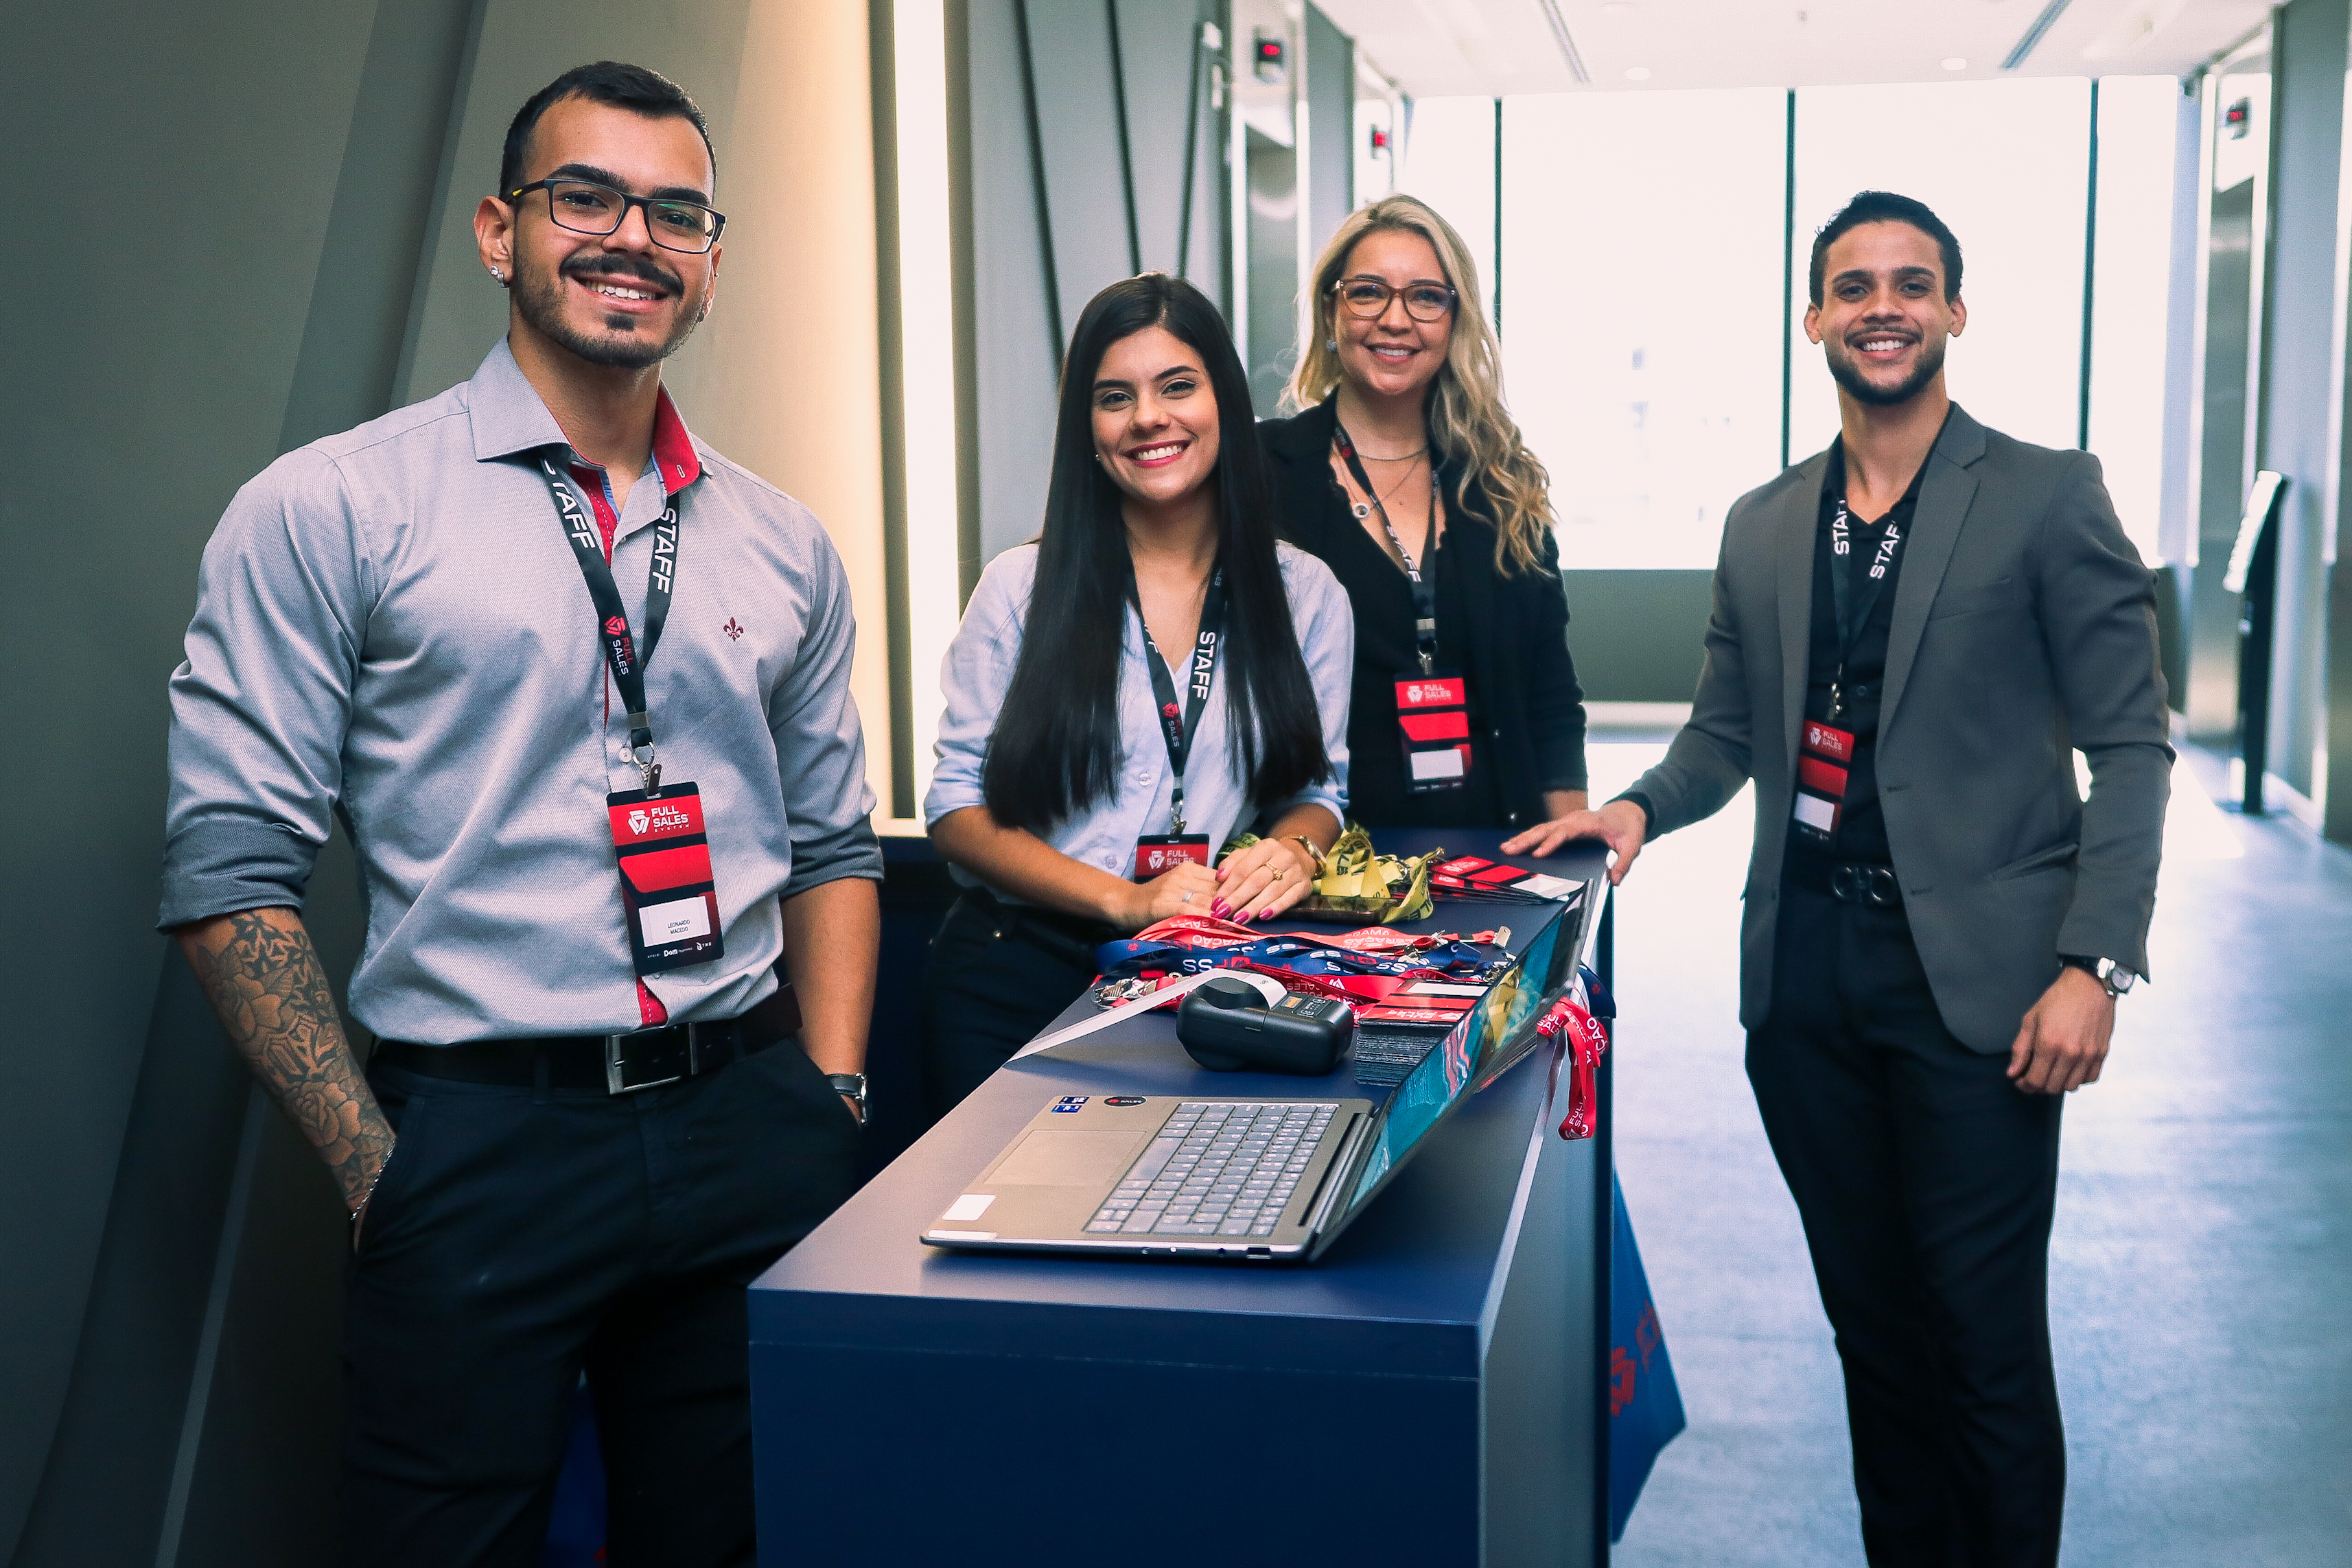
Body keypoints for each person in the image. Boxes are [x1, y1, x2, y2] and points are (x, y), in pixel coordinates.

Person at [161, 62, 880, 1567]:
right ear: (500, 231)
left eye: (674, 210)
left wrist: (828, 1096)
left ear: (710, 260)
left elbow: (829, 843)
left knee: (749, 1536)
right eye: (586, 198)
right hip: (483, 1134)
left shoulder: (783, 539)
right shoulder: (334, 508)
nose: (632, 236)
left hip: (747, 1115)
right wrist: (376, 1164)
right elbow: (230, 869)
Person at [1545, 191, 2170, 1567]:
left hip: (1986, 993)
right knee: (1876, 1339)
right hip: (1809, 984)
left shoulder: (2045, 493)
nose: (1879, 304)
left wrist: (2094, 961)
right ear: (1813, 315)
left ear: (1953, 310)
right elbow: (1724, 728)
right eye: (1851, 284)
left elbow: (2131, 743)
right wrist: (1636, 809)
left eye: (1910, 281)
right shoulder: (1767, 520)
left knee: (1983, 1339)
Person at [920, 272, 1353, 1115]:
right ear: (1087, 429)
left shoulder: (1307, 594)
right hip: (1014, 976)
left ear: (1224, 402)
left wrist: (1294, 851)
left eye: (1177, 386)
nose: (1149, 417)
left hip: (1201, 977)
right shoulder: (1019, 588)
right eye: (1115, 396)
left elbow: (1317, 789)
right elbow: (955, 809)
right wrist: (1123, 898)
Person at [1262, 195, 1588, 834]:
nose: (1395, 319)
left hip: (1499, 857)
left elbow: (1550, 692)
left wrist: (1572, 859)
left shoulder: (1500, 483)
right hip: (1321, 872)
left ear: (1453, 320)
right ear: (1331, 309)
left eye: (1426, 297)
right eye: (1367, 293)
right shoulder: (1262, 477)